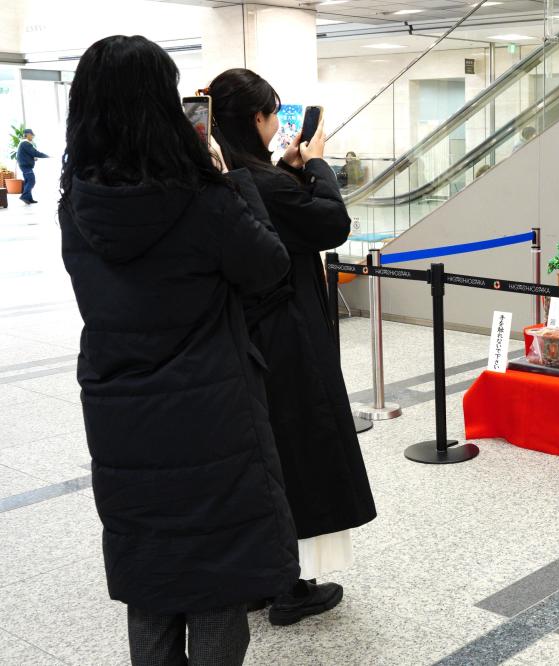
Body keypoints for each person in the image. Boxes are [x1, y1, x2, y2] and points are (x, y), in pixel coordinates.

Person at [59, 36, 299, 664]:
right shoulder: (202, 200)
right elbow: (269, 266)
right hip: (210, 410)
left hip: (118, 411)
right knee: (218, 583)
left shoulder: (75, 205)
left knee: (152, 579)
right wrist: (228, 177)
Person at [208, 68, 377, 627]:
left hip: (241, 334)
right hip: (289, 333)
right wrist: (319, 164)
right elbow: (331, 223)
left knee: (260, 454)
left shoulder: (224, 174)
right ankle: (290, 585)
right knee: (301, 447)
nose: (276, 124)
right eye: (272, 115)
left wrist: (288, 166)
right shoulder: (266, 184)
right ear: (257, 118)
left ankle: (257, 578)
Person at [16, 128, 49, 204]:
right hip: (26, 166)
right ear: (27, 134)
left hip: (24, 165)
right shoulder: (25, 143)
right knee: (31, 181)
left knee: (28, 181)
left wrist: (33, 158)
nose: (32, 137)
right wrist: (47, 156)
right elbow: (35, 153)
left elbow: (28, 154)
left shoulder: (23, 143)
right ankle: (24, 197)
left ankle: (29, 199)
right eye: (31, 135)